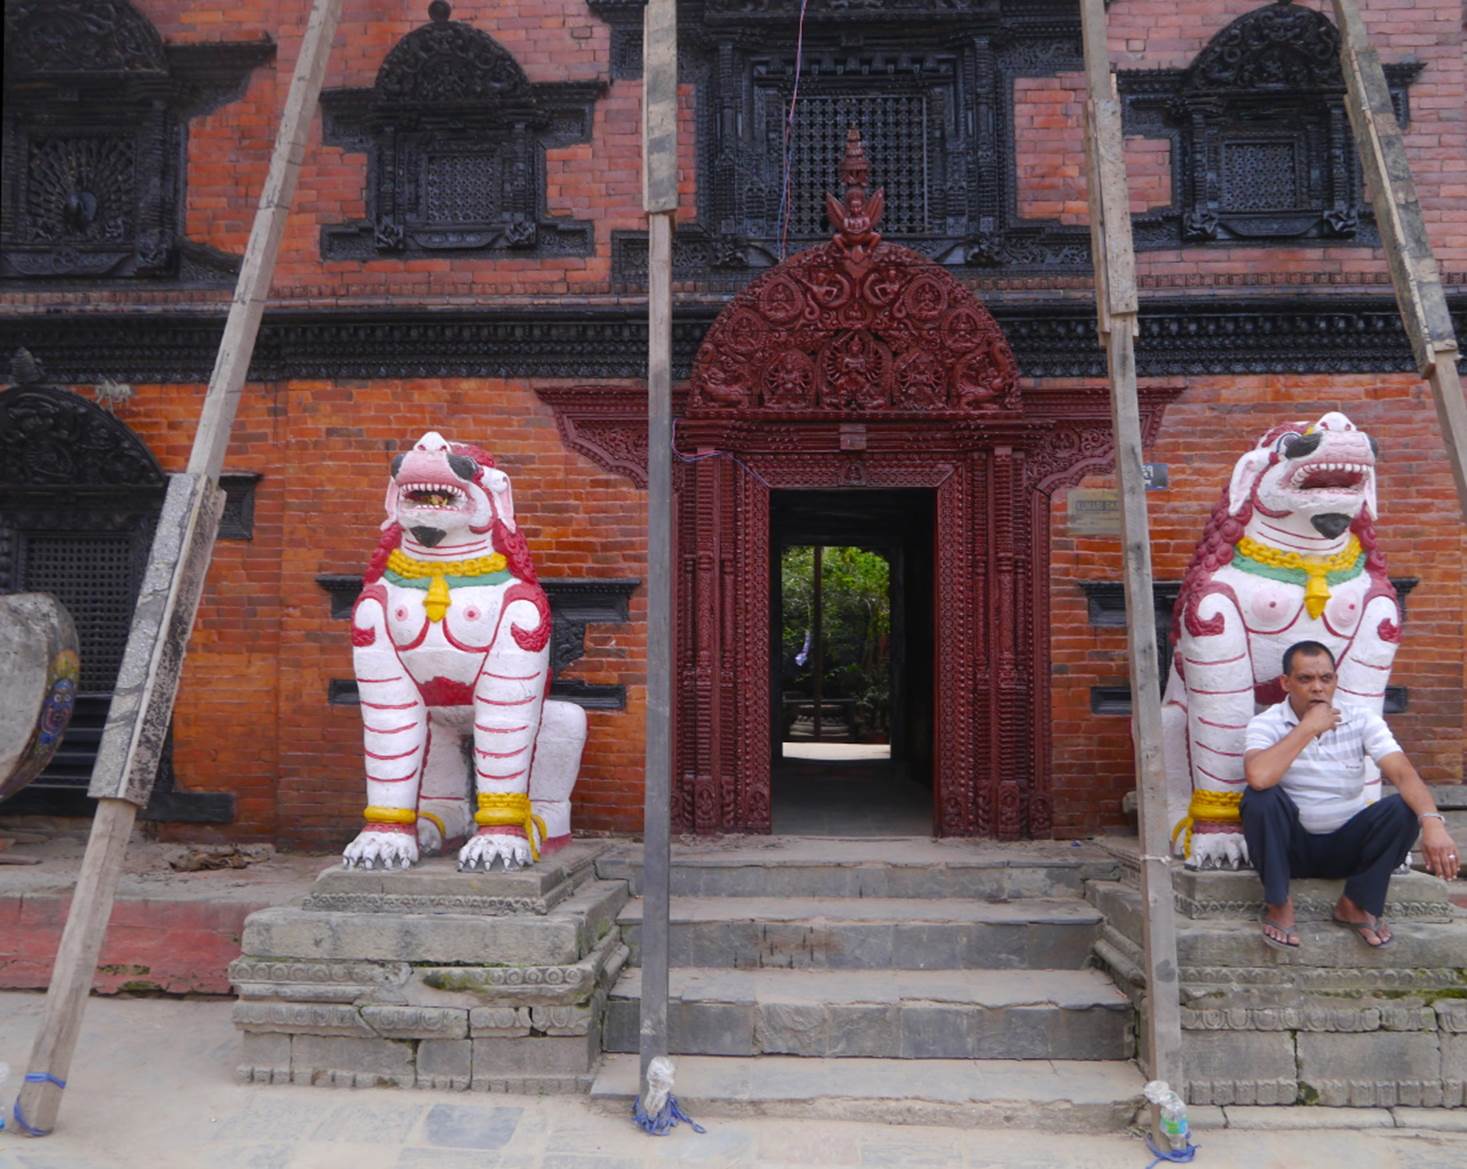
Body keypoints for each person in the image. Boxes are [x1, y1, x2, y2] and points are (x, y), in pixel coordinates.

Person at [1241, 640, 1460, 950]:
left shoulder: (1361, 719)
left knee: (1404, 809)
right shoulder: (1267, 723)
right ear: (1285, 683)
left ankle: (1355, 904)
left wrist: (1433, 823)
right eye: (1305, 679)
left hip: (1347, 846)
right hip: (1290, 850)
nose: (1317, 688)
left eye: (1325, 679)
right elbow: (1259, 777)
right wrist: (1306, 729)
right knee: (1258, 798)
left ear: (1335, 682)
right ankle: (1279, 905)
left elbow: (1401, 773)